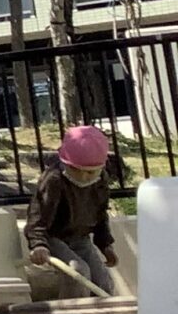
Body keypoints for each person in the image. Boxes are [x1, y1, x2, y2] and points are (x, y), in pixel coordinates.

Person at [22, 125, 121, 297]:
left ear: (101, 167)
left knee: (103, 282)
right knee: (77, 272)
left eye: (90, 172)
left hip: (80, 237)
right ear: (64, 162)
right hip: (53, 236)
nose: (83, 177)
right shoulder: (54, 179)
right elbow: (38, 215)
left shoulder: (101, 179)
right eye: (75, 169)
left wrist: (105, 244)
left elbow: (100, 214)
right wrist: (38, 244)